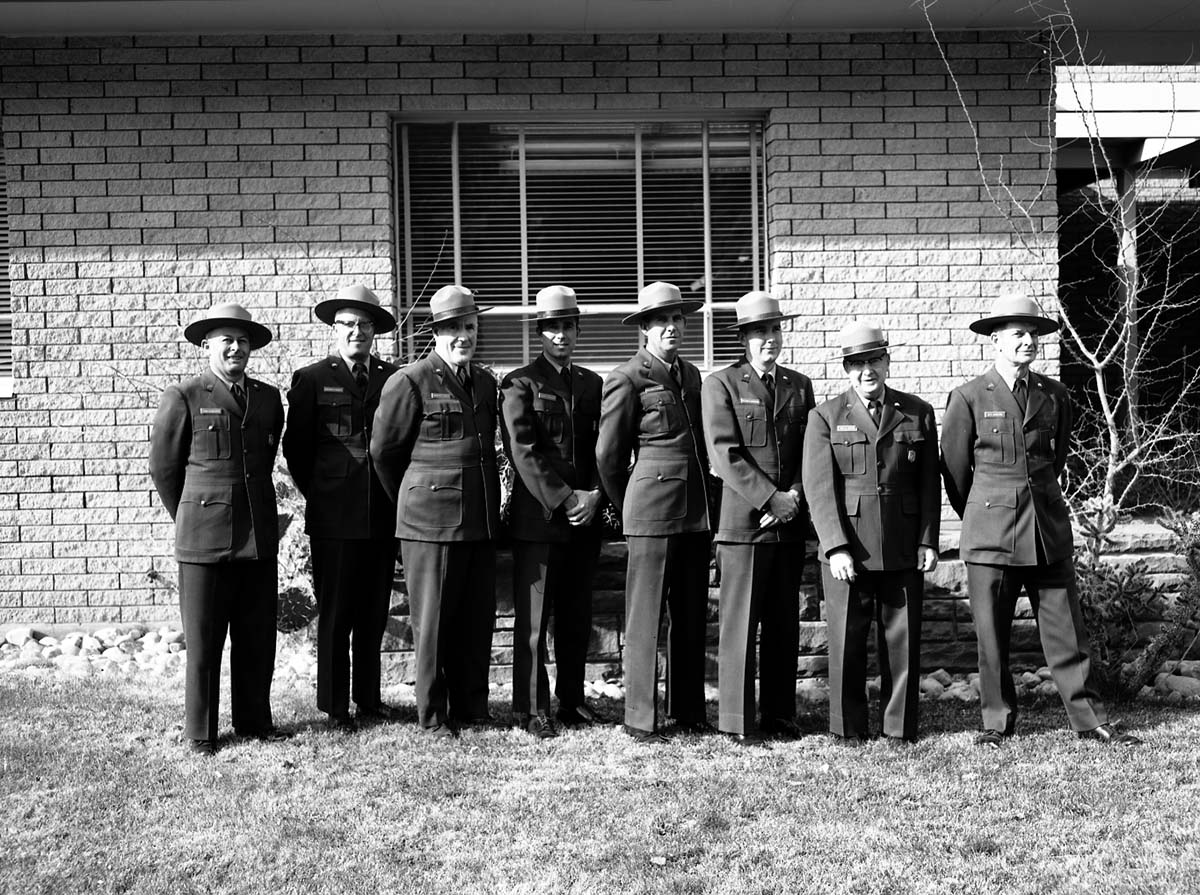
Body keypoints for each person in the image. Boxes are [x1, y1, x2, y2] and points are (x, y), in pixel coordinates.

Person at [941, 291, 1141, 747]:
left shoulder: (1055, 394)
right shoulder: (969, 397)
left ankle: (1089, 719)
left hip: (1047, 530)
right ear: (995, 340)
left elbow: (1056, 458)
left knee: (1067, 630)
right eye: (1018, 334)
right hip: (991, 535)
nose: (1028, 341)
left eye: (1033, 334)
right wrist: (985, 512)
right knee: (992, 636)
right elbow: (954, 472)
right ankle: (996, 722)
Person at [149, 303, 286, 756]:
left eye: (243, 341)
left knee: (256, 636)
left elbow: (261, 462)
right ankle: (201, 732)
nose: (235, 348)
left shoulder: (267, 399)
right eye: (226, 340)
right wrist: (193, 516)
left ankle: (254, 721)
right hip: (204, 540)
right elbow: (165, 470)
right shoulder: (185, 395)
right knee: (205, 641)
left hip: (257, 535)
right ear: (207, 345)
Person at [369, 285, 500, 738]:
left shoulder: (484, 383)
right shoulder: (410, 381)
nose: (463, 335)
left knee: (475, 617)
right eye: (453, 328)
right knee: (435, 621)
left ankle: (472, 705)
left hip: (479, 519)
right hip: (429, 523)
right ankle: (432, 714)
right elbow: (384, 453)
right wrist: (413, 503)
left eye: (470, 326)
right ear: (436, 333)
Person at [803, 321, 940, 744]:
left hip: (902, 543)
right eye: (858, 364)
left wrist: (928, 540)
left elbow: (928, 484)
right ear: (847, 369)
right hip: (850, 548)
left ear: (887, 361)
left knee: (902, 639)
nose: (868, 371)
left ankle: (898, 727)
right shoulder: (825, 417)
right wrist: (835, 547)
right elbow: (819, 489)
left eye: (875, 360)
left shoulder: (917, 412)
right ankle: (849, 727)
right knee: (847, 639)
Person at [596, 281, 712, 743]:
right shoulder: (627, 377)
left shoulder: (691, 375)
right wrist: (630, 501)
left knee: (690, 613)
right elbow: (608, 456)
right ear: (644, 328)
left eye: (677, 319)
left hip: (694, 513)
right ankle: (640, 718)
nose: (671, 327)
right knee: (645, 617)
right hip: (650, 512)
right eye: (661, 320)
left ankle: (688, 710)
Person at [283, 284, 400, 732]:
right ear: (335, 329)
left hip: (381, 513)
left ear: (375, 331)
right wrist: (323, 492)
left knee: (374, 611)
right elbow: (297, 449)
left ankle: (369, 698)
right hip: (334, 516)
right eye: (348, 324)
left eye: (365, 324)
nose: (357, 332)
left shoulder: (392, 378)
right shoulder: (313, 379)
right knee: (337, 613)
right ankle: (334, 705)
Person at [701, 291, 814, 745]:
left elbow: (810, 450)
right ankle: (737, 719)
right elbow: (724, 454)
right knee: (741, 625)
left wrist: (796, 496)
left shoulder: (799, 385)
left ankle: (780, 715)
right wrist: (771, 500)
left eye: (775, 329)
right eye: (759, 332)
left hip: (788, 523)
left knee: (784, 623)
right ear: (743, 339)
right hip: (745, 524)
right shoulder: (722, 384)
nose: (769, 338)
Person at [499, 285, 605, 739]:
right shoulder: (519, 384)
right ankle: (532, 709)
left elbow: (605, 448)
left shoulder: (592, 383)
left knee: (577, 617)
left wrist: (596, 494)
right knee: (534, 621)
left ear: (577, 329)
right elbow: (522, 450)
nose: (560, 334)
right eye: (551, 327)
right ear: (539, 332)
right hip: (540, 520)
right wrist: (566, 498)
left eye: (567, 326)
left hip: (585, 519)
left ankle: (572, 701)